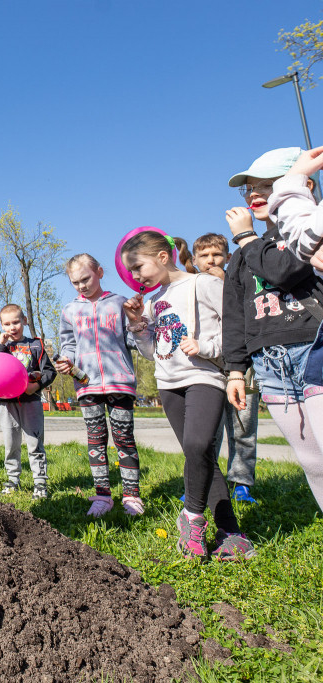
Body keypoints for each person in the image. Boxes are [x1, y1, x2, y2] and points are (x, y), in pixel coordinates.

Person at [121, 231, 255, 561]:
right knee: (200, 457)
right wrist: (138, 325)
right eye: (131, 272)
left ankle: (192, 518)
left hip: (204, 376)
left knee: (198, 446)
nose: (135, 277)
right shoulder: (153, 302)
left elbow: (237, 328)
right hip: (169, 384)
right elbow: (153, 352)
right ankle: (230, 531)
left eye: (138, 267)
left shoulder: (202, 284)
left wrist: (206, 347)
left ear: (163, 257)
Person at [222, 147, 323, 511]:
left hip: (313, 348)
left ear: (302, 183)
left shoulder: (306, 230)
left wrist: (246, 238)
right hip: (270, 364)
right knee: (312, 460)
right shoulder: (243, 253)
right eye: (249, 188)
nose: (253, 194)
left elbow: (282, 270)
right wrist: (235, 370)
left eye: (267, 184)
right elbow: (235, 314)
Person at [56, 254, 142, 516]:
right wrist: (66, 360)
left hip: (119, 382)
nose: (81, 286)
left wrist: (138, 321)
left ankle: (132, 496)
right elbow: (68, 344)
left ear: (100, 273)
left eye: (86, 279)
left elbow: (134, 340)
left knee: (124, 439)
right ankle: (102, 496)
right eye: (75, 282)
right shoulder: (70, 310)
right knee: (96, 441)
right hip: (87, 384)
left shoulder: (119, 304)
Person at [192, 232, 260, 505]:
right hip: (209, 367)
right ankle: (205, 481)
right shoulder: (192, 286)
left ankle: (241, 482)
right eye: (204, 256)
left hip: (243, 365)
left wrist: (226, 283)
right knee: (210, 431)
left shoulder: (239, 280)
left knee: (242, 425)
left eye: (217, 255)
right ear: (195, 261)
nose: (211, 260)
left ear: (228, 257)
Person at [0, 304, 56, 500]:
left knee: (35, 442)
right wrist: (0, 343)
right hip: (6, 404)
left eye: (16, 322)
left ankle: (40, 481)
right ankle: (12, 479)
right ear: (2, 325)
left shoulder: (36, 345)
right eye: (7, 324)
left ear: (24, 321)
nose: (12, 327)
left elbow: (50, 371)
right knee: (11, 443)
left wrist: (37, 386)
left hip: (30, 401)